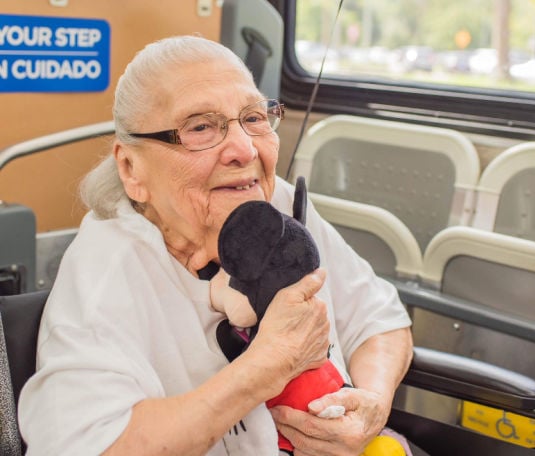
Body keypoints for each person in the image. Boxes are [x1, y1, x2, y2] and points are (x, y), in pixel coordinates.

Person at [18, 35, 413, 455]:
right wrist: (267, 365)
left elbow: (379, 317)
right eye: (201, 127)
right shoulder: (108, 266)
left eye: (255, 118)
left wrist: (372, 403)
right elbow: (89, 445)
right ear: (131, 168)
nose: (244, 150)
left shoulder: (276, 202)